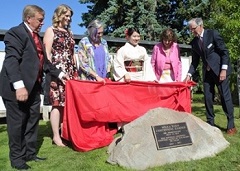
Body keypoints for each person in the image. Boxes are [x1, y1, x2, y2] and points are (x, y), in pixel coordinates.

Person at [0, 5, 68, 170]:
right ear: (28, 18)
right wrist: (19, 86)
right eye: (39, 19)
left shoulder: (36, 36)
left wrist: (60, 74)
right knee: (17, 125)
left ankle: (30, 153)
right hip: (16, 88)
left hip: (34, 88)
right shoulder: (15, 33)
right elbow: (11, 61)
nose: (42, 23)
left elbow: (44, 63)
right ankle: (17, 160)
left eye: (43, 20)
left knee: (32, 121)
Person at [183, 18, 237, 135]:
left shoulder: (213, 34)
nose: (192, 32)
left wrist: (223, 70)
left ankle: (231, 125)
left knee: (224, 97)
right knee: (207, 97)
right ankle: (210, 123)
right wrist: (189, 74)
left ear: (201, 25)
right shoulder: (194, 43)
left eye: (193, 29)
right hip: (207, 73)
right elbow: (195, 62)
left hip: (220, 71)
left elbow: (224, 52)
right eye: (190, 30)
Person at [43, 4, 79, 147]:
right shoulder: (51, 30)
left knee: (68, 103)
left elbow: (72, 53)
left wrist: (76, 70)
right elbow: (47, 54)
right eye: (66, 15)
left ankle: (65, 132)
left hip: (70, 71)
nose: (68, 18)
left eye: (70, 16)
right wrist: (55, 72)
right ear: (59, 15)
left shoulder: (69, 32)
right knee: (57, 104)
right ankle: (56, 136)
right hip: (57, 71)